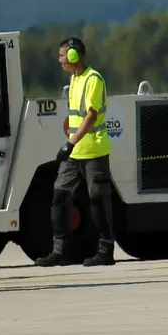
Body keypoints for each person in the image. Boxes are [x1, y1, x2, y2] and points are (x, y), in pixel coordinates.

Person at [33, 37, 116, 268]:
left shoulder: (93, 79)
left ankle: (105, 251)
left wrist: (71, 142)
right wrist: (71, 145)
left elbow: (91, 116)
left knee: (98, 201)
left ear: (73, 56)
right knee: (59, 197)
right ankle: (59, 250)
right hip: (75, 152)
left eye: (62, 56)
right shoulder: (74, 79)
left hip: (93, 150)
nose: (59, 60)